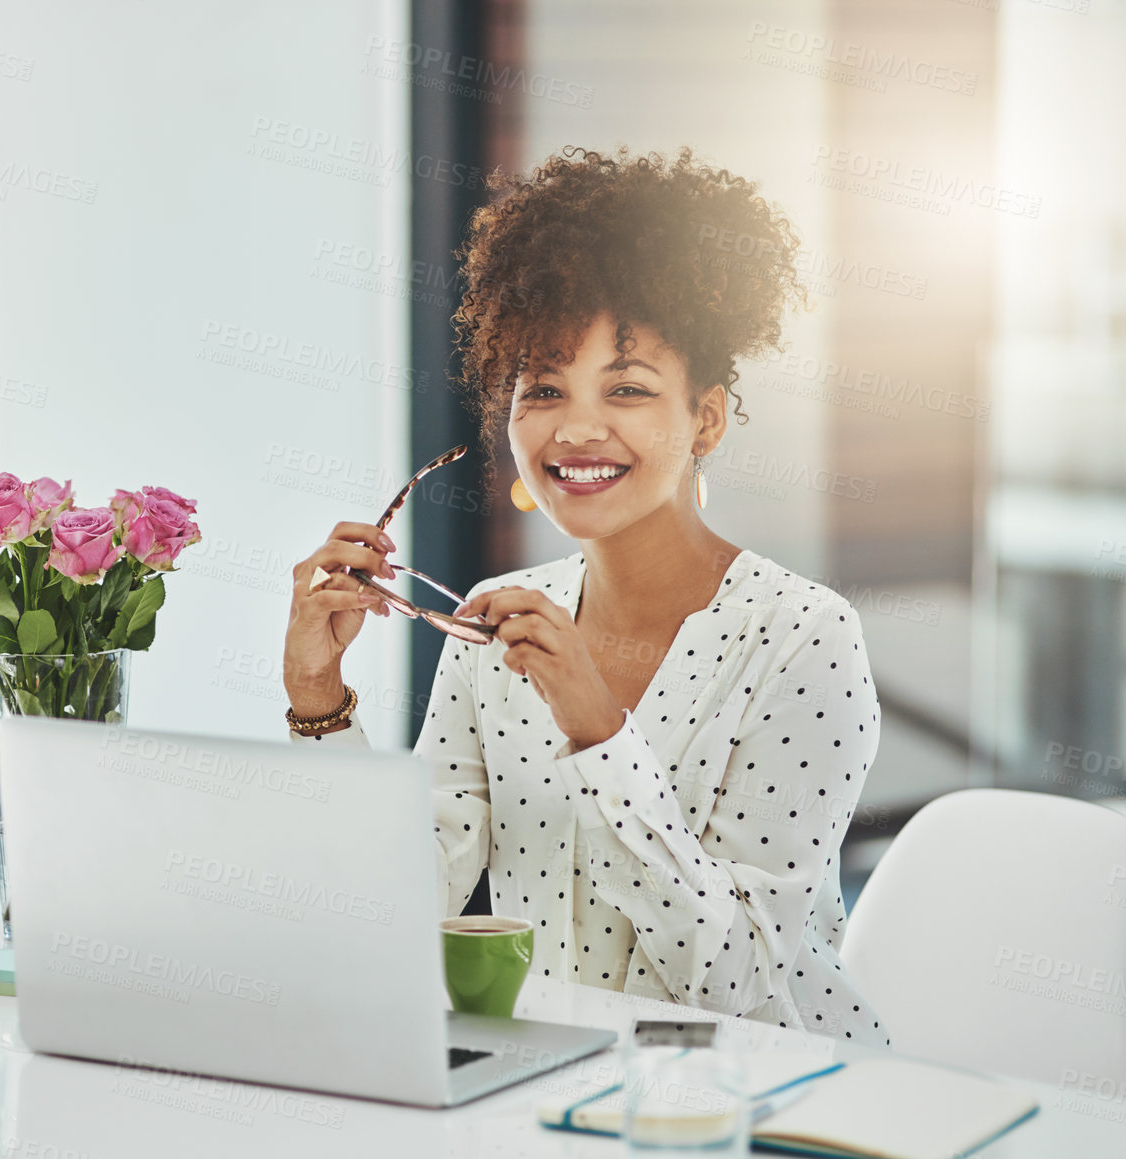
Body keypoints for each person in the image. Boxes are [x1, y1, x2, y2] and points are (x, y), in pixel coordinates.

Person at [279, 145, 889, 1046]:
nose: (575, 427)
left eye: (629, 388)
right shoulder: (494, 619)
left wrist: (599, 730)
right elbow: (390, 914)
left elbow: (739, 984)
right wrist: (319, 701)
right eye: (545, 387)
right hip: (564, 1091)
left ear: (707, 418)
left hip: (764, 1102)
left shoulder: (802, 637)